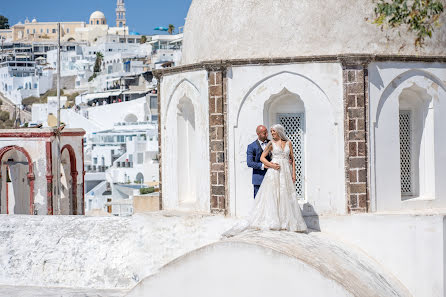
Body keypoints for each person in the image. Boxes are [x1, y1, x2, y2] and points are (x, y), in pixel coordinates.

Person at [223, 124, 307, 237]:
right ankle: (268, 221)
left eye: (271, 132)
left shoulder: (282, 142)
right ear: (258, 134)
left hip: (283, 173)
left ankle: (284, 221)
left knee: (283, 196)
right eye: (266, 132)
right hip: (265, 176)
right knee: (264, 202)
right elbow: (252, 162)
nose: (269, 134)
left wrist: (292, 172)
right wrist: (269, 165)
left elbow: (292, 158)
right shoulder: (253, 146)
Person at [246, 125, 272, 198]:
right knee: (258, 202)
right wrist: (263, 166)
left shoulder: (272, 143)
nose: (267, 134)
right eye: (264, 133)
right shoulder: (251, 146)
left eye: (267, 132)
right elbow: (249, 163)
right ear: (258, 134)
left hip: (272, 177)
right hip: (258, 179)